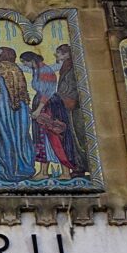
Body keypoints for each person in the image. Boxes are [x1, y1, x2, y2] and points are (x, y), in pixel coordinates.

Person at [0, 47, 37, 182]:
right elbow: (22, 92)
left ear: (4, 55)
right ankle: (22, 165)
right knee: (17, 135)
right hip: (17, 109)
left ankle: (2, 167)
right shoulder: (16, 69)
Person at [20, 51, 79, 179]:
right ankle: (43, 172)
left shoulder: (45, 70)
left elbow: (48, 92)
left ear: (32, 60)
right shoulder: (37, 70)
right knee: (41, 138)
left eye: (25, 61)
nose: (24, 64)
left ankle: (65, 172)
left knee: (55, 136)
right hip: (42, 104)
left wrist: (38, 109)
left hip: (50, 106)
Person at [56, 44, 88, 176]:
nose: (56, 55)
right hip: (66, 105)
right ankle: (79, 165)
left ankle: (83, 165)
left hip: (73, 106)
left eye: (59, 53)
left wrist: (71, 100)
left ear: (67, 54)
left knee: (78, 135)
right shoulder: (66, 67)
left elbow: (76, 86)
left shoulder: (72, 67)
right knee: (71, 136)